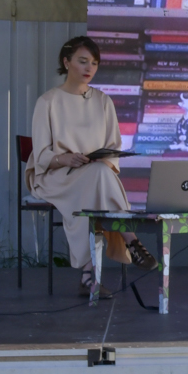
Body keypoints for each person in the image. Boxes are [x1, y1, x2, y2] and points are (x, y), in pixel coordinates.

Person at [26, 36, 156, 289]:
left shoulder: (103, 101)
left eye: (94, 63)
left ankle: (89, 275)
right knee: (96, 177)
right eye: (82, 61)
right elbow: (40, 155)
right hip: (56, 175)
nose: (89, 69)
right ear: (66, 62)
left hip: (95, 174)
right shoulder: (47, 102)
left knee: (97, 175)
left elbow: (113, 150)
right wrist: (65, 158)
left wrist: (96, 162)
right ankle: (131, 239)